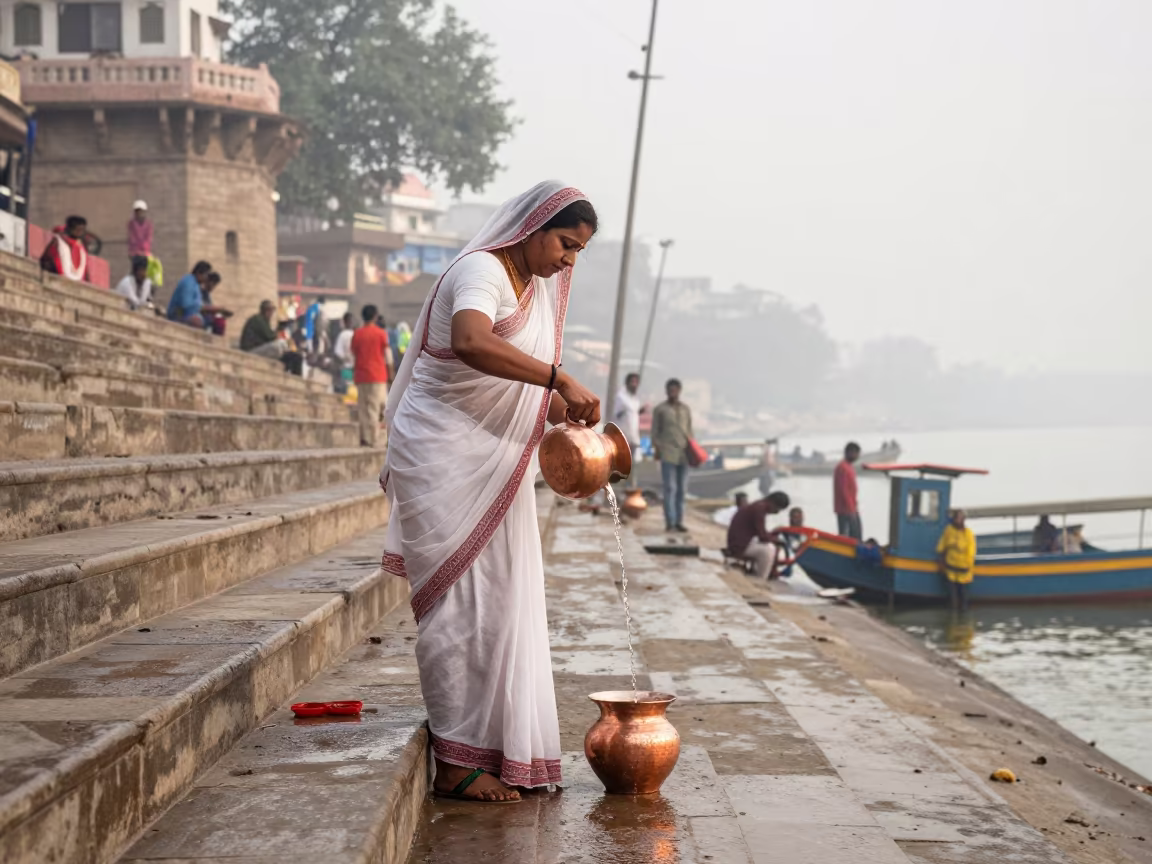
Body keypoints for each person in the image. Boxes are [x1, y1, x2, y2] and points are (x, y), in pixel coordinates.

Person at [380, 182, 599, 804]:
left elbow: (512, 372)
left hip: (495, 458)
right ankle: (454, 762)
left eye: (578, 252)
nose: (568, 261)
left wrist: (555, 403)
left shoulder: (532, 285)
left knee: (502, 603)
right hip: (442, 451)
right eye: (564, 243)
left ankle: (494, 749)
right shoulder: (481, 271)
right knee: (458, 608)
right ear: (532, 226)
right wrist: (559, 377)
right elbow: (473, 341)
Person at [652, 378, 693, 533]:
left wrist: (692, 449)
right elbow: (654, 433)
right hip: (668, 454)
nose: (672, 393)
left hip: (684, 454)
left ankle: (679, 521)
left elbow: (689, 431)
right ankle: (670, 521)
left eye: (675, 390)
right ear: (666, 391)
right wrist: (658, 448)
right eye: (670, 390)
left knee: (682, 489)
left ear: (679, 391)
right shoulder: (660, 410)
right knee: (670, 488)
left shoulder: (685, 409)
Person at [351, 304, 393, 447]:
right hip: (378, 375)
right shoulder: (381, 334)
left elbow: (354, 355)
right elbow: (388, 356)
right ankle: (374, 439)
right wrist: (391, 373)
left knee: (364, 408)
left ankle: (365, 437)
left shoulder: (357, 334)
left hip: (361, 375)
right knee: (378, 407)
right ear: (375, 316)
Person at [726, 491, 791, 579]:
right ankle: (761, 578)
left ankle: (757, 572)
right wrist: (777, 540)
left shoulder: (757, 505)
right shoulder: (759, 509)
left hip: (738, 541)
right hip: (739, 545)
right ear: (773, 503)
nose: (777, 512)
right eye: (777, 509)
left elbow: (759, 531)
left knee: (768, 546)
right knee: (769, 550)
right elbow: (763, 536)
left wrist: (771, 537)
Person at [937, 509, 976, 611]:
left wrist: (968, 566)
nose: (958, 520)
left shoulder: (968, 533)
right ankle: (953, 612)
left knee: (963, 595)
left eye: (961, 518)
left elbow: (971, 551)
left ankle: (962, 614)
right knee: (952, 594)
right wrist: (941, 563)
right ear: (953, 519)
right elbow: (941, 546)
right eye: (957, 518)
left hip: (964, 568)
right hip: (951, 567)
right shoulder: (948, 530)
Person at [40, 215, 91, 282]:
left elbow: (85, 270)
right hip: (57, 279)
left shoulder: (82, 247)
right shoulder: (58, 242)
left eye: (82, 230)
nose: (80, 233)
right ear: (69, 228)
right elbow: (46, 261)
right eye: (78, 230)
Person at [166, 261, 213, 327]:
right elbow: (185, 305)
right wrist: (206, 308)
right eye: (206, 275)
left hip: (190, 314)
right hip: (178, 314)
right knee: (197, 321)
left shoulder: (196, 285)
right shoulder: (188, 282)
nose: (206, 278)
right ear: (199, 273)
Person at [834, 442, 862, 540]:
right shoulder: (843, 467)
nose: (857, 456)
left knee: (856, 535)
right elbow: (844, 489)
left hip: (852, 508)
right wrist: (851, 509)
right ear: (850, 452)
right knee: (848, 538)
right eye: (856, 454)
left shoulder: (849, 467)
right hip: (845, 510)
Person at [614, 372, 645, 458]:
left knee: (632, 466)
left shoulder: (635, 399)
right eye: (632, 382)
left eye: (636, 382)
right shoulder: (621, 397)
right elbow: (617, 415)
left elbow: (633, 414)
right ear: (627, 383)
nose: (634, 385)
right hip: (624, 437)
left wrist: (639, 412)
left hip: (633, 437)